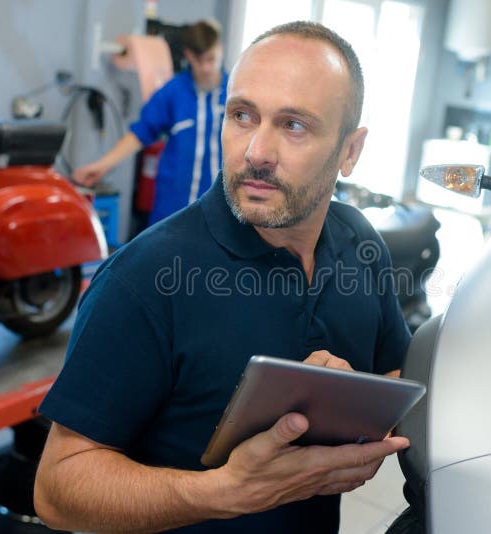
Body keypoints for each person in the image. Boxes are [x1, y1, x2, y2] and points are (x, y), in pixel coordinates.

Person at [34, 21, 412, 533]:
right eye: (242, 115)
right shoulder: (144, 278)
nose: (257, 151)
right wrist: (224, 494)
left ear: (350, 151)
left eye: (294, 125)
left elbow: (397, 374)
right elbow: (58, 490)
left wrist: (356, 411)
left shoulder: (358, 242)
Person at [73, 20, 228, 226]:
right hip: (173, 209)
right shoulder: (172, 92)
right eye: (200, 60)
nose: (207, 67)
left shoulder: (236, 93)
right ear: (189, 55)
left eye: (211, 59)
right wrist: (102, 165)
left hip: (220, 210)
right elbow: (141, 131)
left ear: (220, 50)